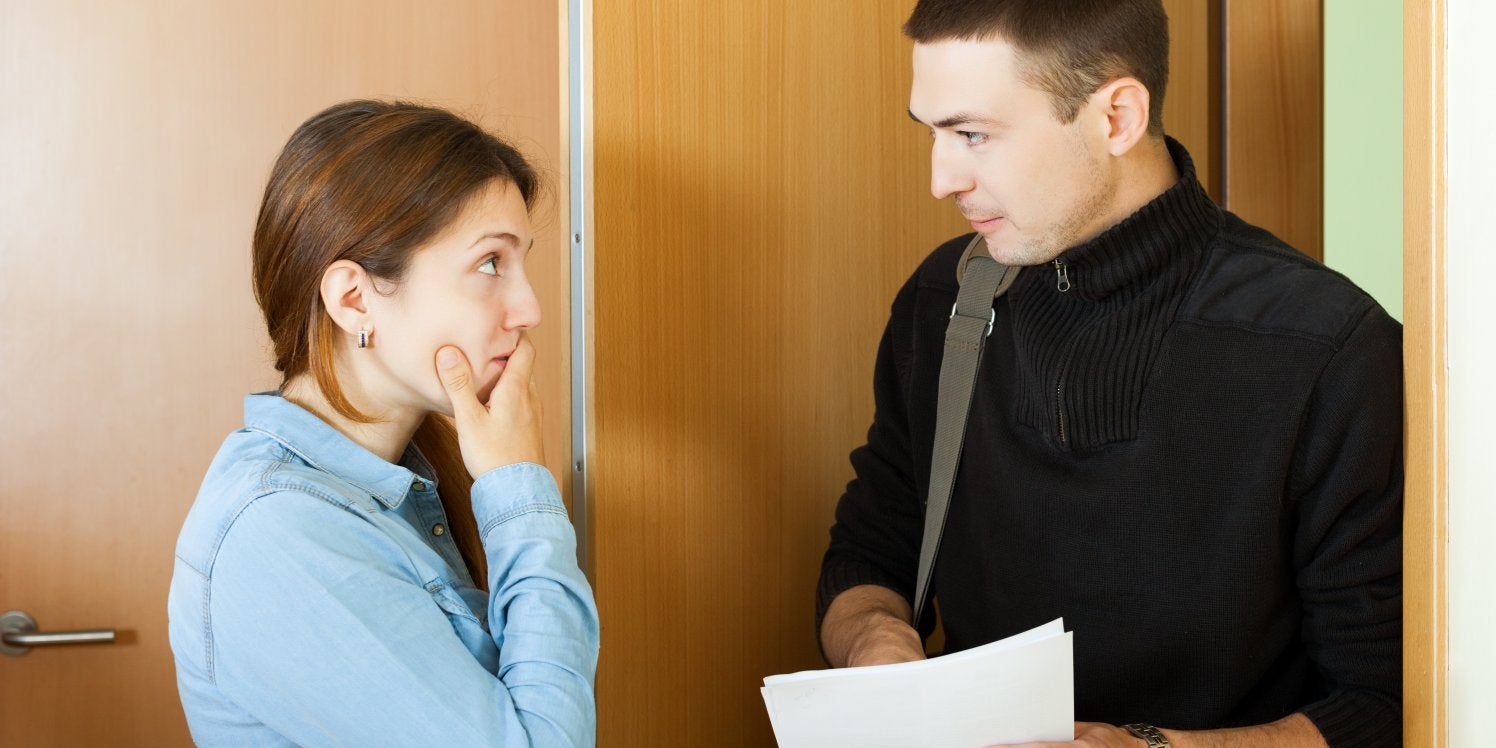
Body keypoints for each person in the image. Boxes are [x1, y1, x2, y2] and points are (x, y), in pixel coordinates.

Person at [815, 2, 1402, 746]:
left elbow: (1382, 701)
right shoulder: (945, 300)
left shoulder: (1328, 347)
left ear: (1117, 117)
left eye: (972, 135)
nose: (941, 179)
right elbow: (871, 553)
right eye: (932, 132)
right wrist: (876, 644)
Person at [167, 101, 599, 746]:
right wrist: (519, 487)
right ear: (354, 299)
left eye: (520, 264)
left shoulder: (403, 483)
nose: (529, 308)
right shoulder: (281, 530)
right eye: (490, 263)